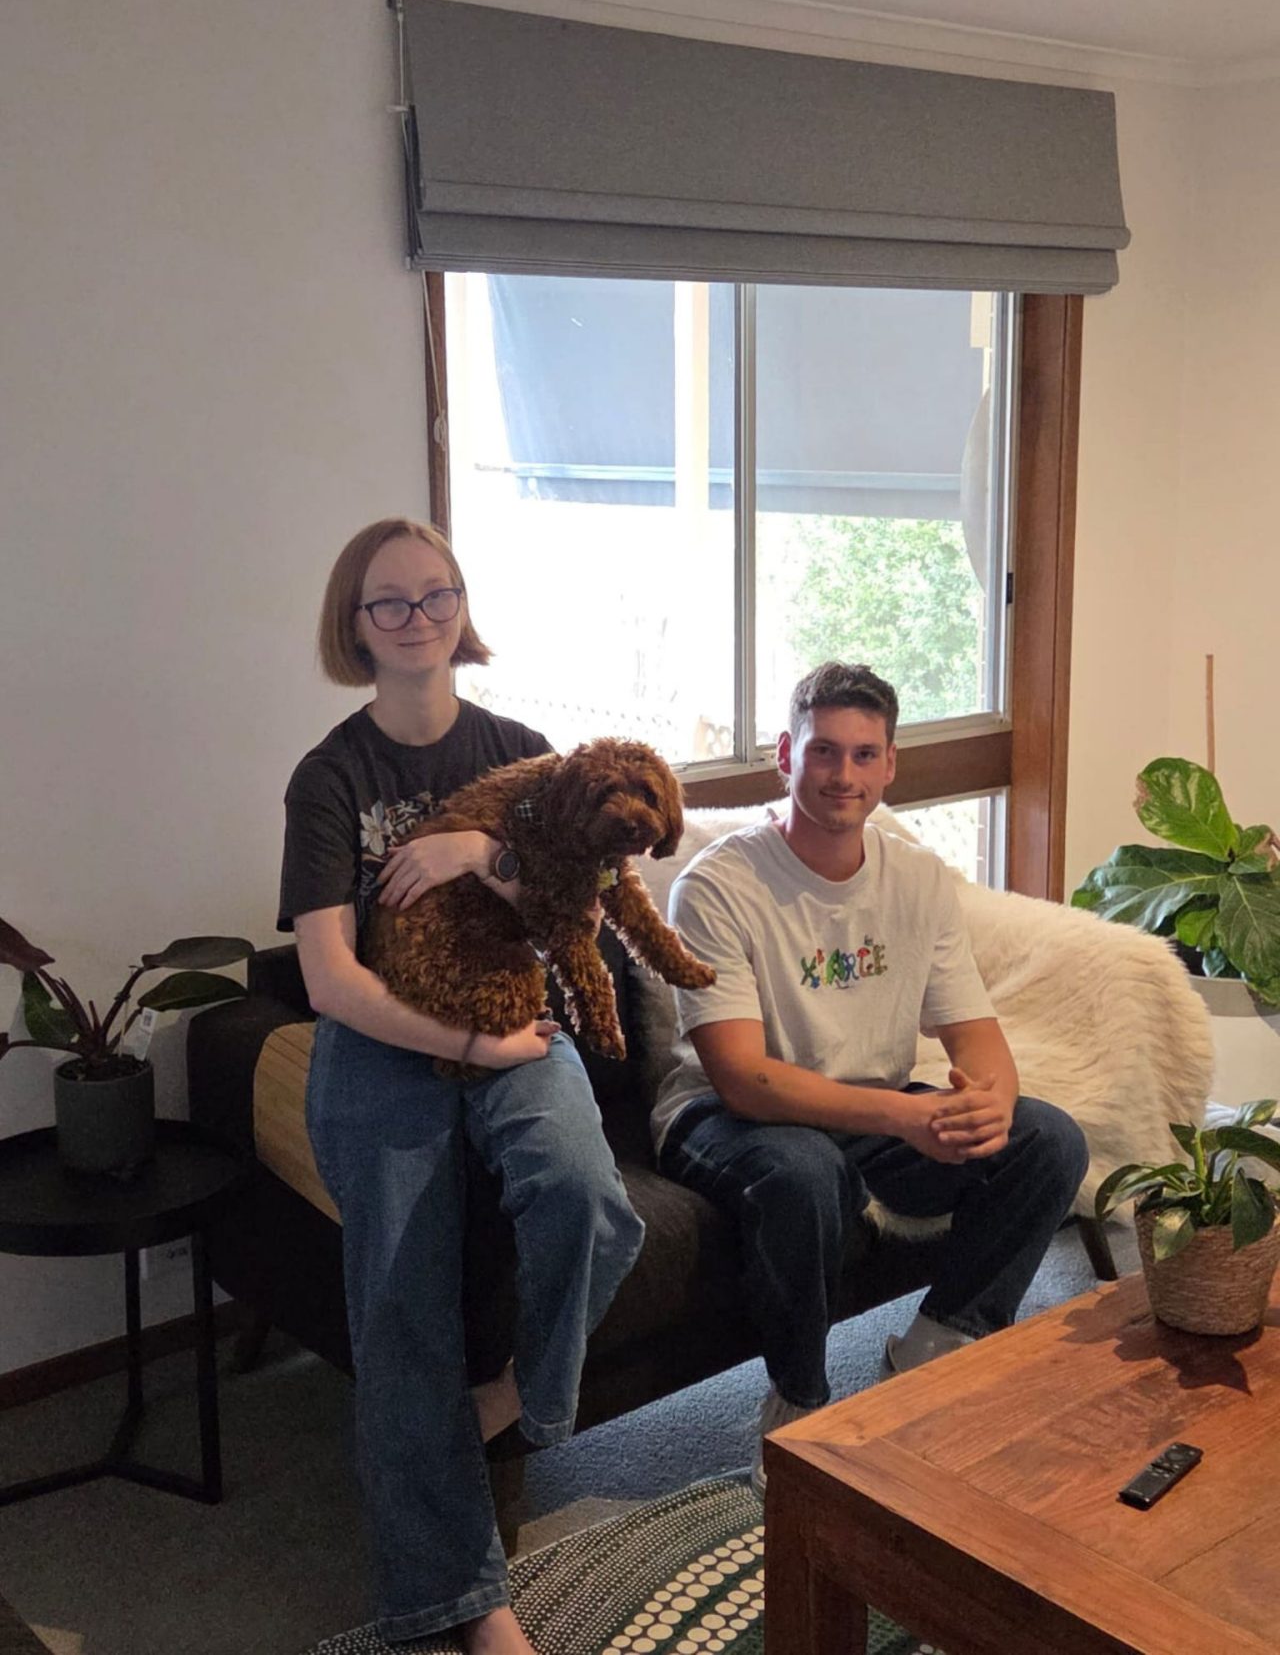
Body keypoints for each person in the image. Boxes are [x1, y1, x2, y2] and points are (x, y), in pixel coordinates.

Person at [278, 518, 644, 1654]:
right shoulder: (330, 774)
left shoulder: (517, 745)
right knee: (399, 1306)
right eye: (388, 603)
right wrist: (461, 1047)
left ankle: (514, 1403)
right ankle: (466, 1604)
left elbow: (581, 899)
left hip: (513, 1015)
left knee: (589, 1199)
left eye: (435, 595)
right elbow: (330, 978)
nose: (417, 619)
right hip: (385, 1044)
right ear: (355, 625)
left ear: (461, 605)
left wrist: (479, 856)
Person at [650, 661, 1088, 1495]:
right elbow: (745, 1080)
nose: (842, 775)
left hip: (868, 1107)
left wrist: (989, 1101)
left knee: (1046, 1141)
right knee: (806, 1171)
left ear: (890, 766)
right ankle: (799, 1410)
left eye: (863, 755)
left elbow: (975, 1032)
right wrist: (904, 1118)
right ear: (786, 754)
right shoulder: (719, 886)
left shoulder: (917, 878)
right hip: (726, 1116)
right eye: (823, 752)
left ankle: (935, 1352)